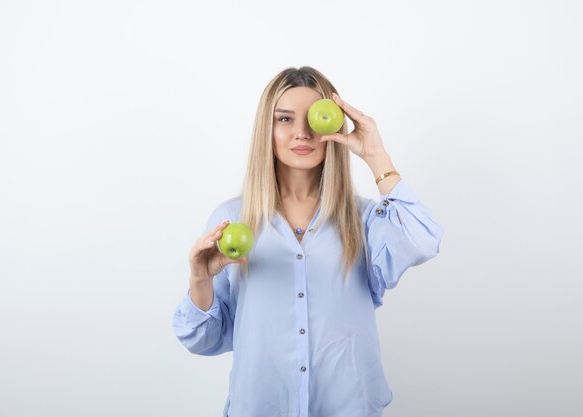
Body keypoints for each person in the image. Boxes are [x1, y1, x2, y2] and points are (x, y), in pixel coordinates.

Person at [172, 66, 444, 417]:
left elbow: (423, 241)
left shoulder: (362, 220)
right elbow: (203, 339)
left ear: (332, 125)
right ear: (266, 130)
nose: (301, 133)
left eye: (314, 119)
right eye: (284, 119)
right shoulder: (231, 220)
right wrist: (200, 278)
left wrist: (376, 154)